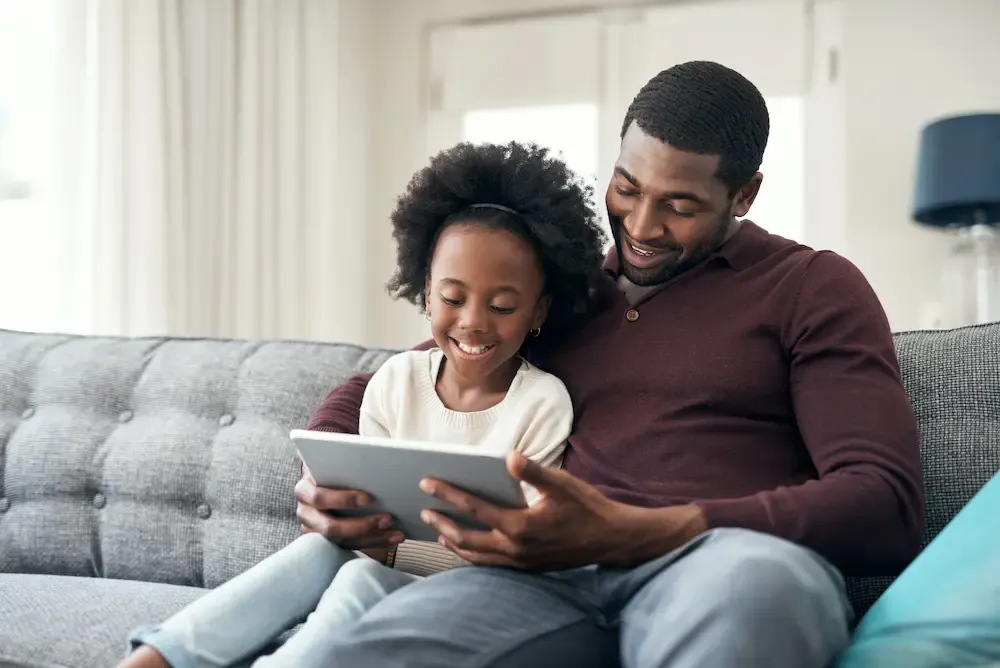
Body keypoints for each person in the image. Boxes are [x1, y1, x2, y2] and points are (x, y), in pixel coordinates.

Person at [295, 61, 925, 668]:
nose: (641, 226)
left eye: (679, 205)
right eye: (626, 188)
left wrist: (644, 528)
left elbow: (884, 504)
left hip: (724, 563)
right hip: (543, 577)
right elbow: (382, 382)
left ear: (744, 194)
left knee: (754, 598)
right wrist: (325, 478)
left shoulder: (809, 286)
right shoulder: (565, 289)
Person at [117, 141, 608, 668]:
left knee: (359, 573)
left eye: (502, 306)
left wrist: (394, 552)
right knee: (317, 552)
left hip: (473, 587)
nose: (473, 322)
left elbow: (517, 552)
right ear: (424, 293)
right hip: (376, 556)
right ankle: (163, 655)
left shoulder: (542, 403)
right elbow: (365, 502)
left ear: (539, 310)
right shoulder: (396, 380)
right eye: (452, 298)